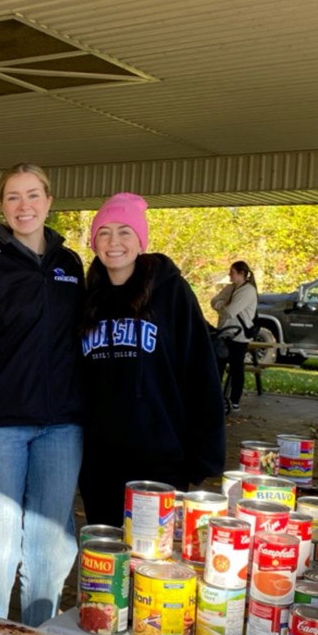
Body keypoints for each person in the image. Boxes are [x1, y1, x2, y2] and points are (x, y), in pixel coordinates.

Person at [0, 163, 85, 628]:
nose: (23, 206)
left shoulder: (71, 265)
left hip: (62, 426)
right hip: (2, 427)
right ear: (2, 207)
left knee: (49, 546)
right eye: (13, 197)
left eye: (32, 196)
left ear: (49, 202)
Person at [78, 193, 226, 527]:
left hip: (160, 458)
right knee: (107, 557)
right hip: (100, 462)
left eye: (124, 231)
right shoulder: (88, 299)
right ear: (94, 242)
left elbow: (200, 372)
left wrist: (204, 456)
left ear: (141, 240)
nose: (114, 242)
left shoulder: (171, 292)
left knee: (152, 564)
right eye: (104, 232)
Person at [210, 260, 259, 412]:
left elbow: (230, 311)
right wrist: (222, 305)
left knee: (237, 368)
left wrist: (222, 305)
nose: (229, 275)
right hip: (224, 334)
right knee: (218, 366)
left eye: (232, 272)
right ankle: (216, 398)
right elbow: (213, 301)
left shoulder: (248, 291)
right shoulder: (230, 288)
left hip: (239, 336)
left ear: (241, 274)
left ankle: (235, 400)